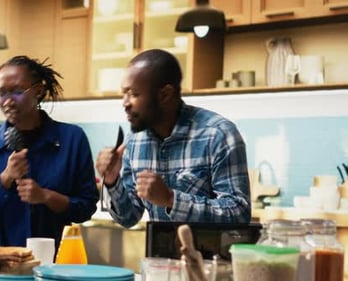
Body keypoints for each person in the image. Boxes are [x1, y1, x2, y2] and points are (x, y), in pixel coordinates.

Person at [95, 49, 251, 228]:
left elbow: (239, 214)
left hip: (208, 256)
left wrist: (171, 199)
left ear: (165, 94)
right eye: (124, 94)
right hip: (158, 255)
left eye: (134, 94)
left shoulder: (218, 134)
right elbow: (128, 217)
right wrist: (112, 180)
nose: (125, 103)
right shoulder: (135, 142)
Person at [0, 56, 99, 253]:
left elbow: (86, 208)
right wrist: (5, 179)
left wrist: (46, 196)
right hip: (1, 266)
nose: (8, 101)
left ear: (39, 90)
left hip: (54, 265)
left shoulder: (72, 139)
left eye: (17, 92)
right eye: (1, 94)